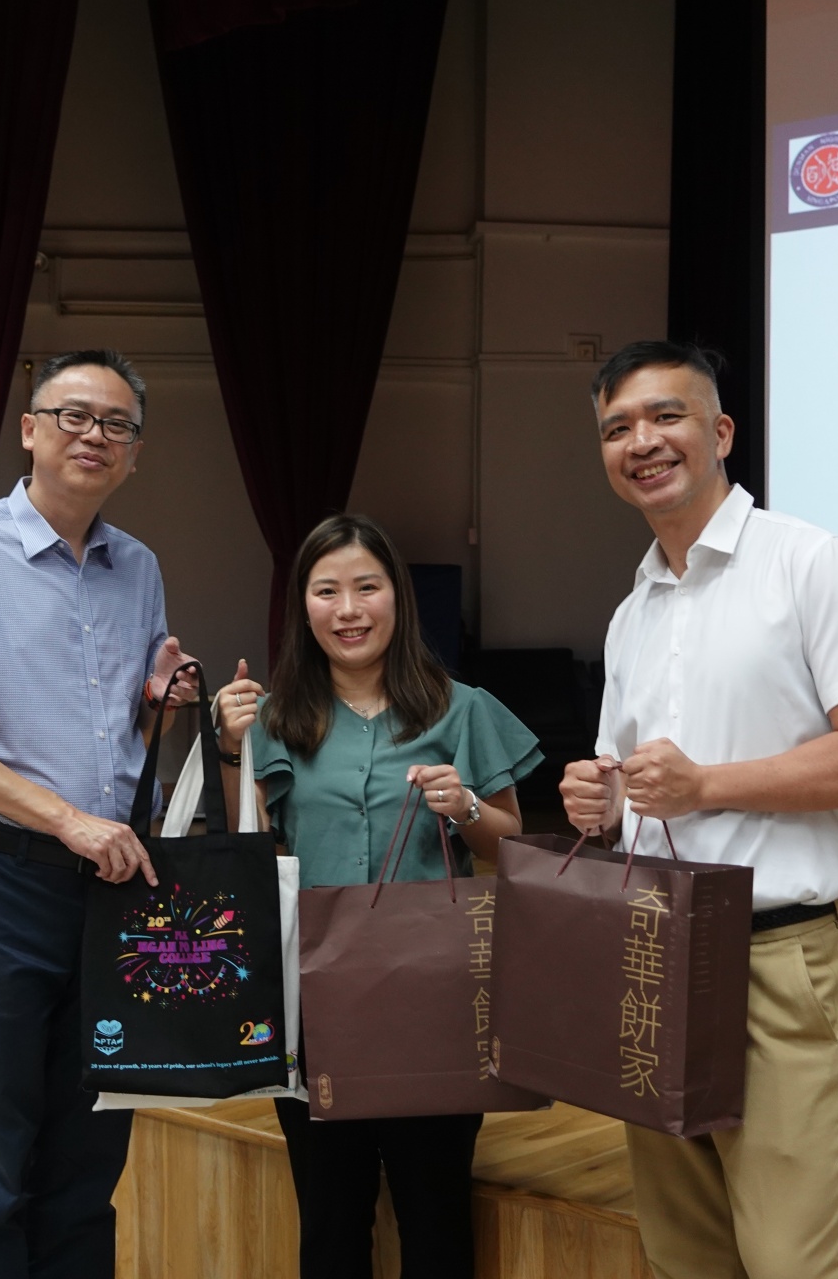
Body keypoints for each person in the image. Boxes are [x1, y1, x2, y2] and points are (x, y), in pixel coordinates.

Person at [559, 341, 838, 1279]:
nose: (642, 441)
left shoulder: (814, 564)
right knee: (685, 1254)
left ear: (720, 432)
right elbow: (636, 786)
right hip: (653, 949)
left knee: (788, 1259)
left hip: (778, 957)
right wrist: (600, 801)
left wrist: (707, 785)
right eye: (616, 428)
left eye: (666, 416)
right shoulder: (633, 610)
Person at [0, 349, 201, 1279]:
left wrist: (157, 702)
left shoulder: (138, 566)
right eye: (73, 415)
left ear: (135, 454)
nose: (94, 435)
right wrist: (64, 819)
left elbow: (113, 726)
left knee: (91, 1151)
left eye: (117, 424)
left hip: (114, 890)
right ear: (29, 430)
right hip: (0, 882)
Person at [210, 513, 542, 1279]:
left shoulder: (462, 708)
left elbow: (510, 848)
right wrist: (232, 749)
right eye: (327, 591)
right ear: (303, 606)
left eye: (367, 587)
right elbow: (248, 846)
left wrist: (464, 805)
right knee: (330, 1221)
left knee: (436, 1216)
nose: (349, 609)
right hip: (313, 1000)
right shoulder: (274, 718)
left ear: (399, 597)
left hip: (436, 1000)